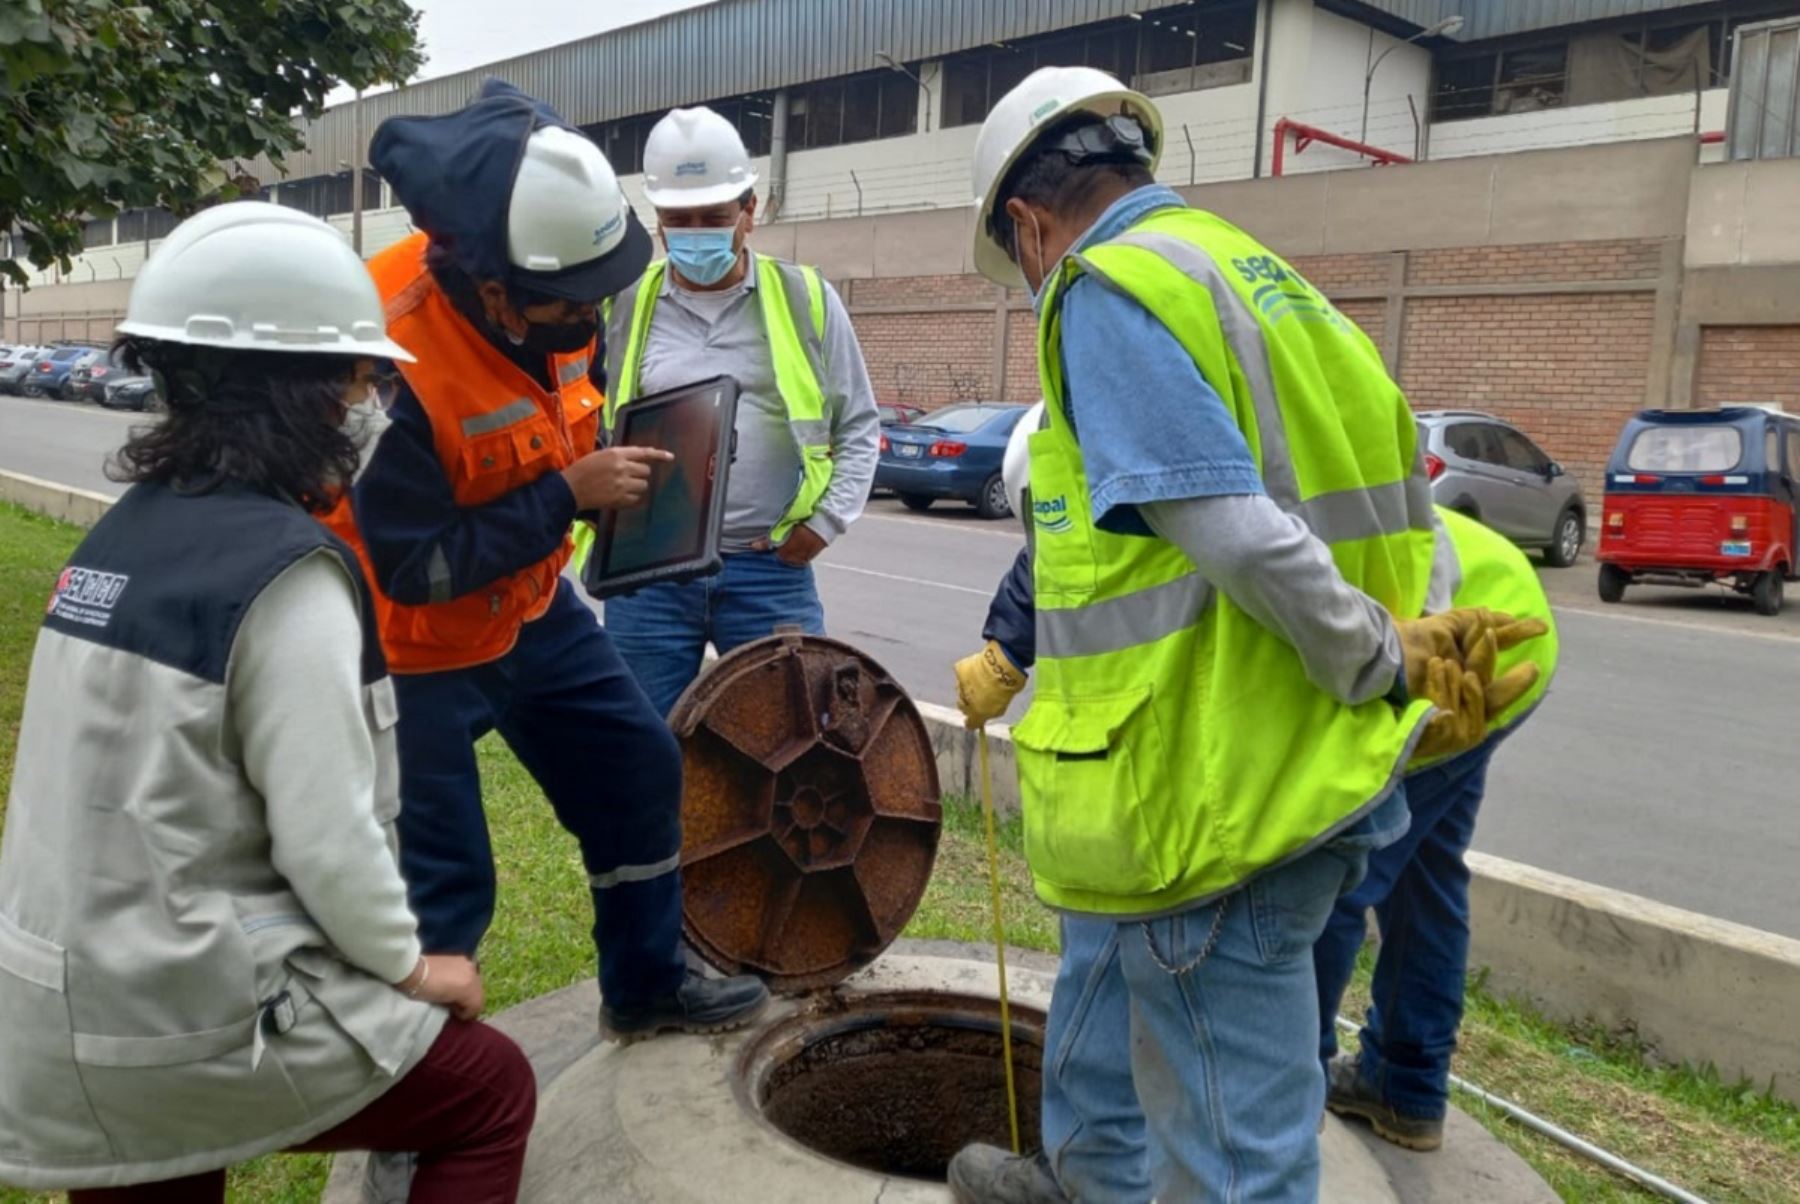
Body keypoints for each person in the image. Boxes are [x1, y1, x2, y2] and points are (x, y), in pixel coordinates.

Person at [942, 67, 1545, 1204]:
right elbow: (1378, 509)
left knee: (1230, 1151)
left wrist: (1374, 655)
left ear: (1028, 222)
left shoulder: (1104, 287)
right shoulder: (1270, 282)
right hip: (1221, 771)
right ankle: (1084, 1180)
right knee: (1110, 990)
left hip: (1217, 787)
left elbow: (1234, 529)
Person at [0, 202, 535, 1202]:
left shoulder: (118, 541)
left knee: (155, 1158)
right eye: (362, 377)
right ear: (307, 394)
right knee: (488, 1091)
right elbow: (329, 838)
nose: (372, 401)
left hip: (56, 1020)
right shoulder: (285, 576)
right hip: (182, 1024)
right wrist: (420, 972)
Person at [325, 80, 768, 1042]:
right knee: (441, 880)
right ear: (495, 290)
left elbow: (573, 419)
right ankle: (421, 1081)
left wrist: (635, 488)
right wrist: (569, 497)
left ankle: (647, 986)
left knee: (637, 767)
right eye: (573, 305)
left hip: (531, 609)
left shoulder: (563, 297)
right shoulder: (381, 357)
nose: (593, 320)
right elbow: (414, 569)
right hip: (413, 649)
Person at [596, 105, 880, 717]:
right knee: (638, 748)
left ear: (750, 211)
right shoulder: (624, 306)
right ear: (658, 221)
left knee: (790, 742)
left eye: (714, 217)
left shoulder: (806, 299)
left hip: (769, 567)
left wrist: (822, 526)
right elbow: (592, 419)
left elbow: (858, 425)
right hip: (650, 575)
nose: (696, 231)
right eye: (679, 219)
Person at [1313, 508, 1558, 1153]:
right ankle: (1406, 1088)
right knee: (1424, 872)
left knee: (1333, 872)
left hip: (1470, 659)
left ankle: (1284, 1095)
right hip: (1497, 618)